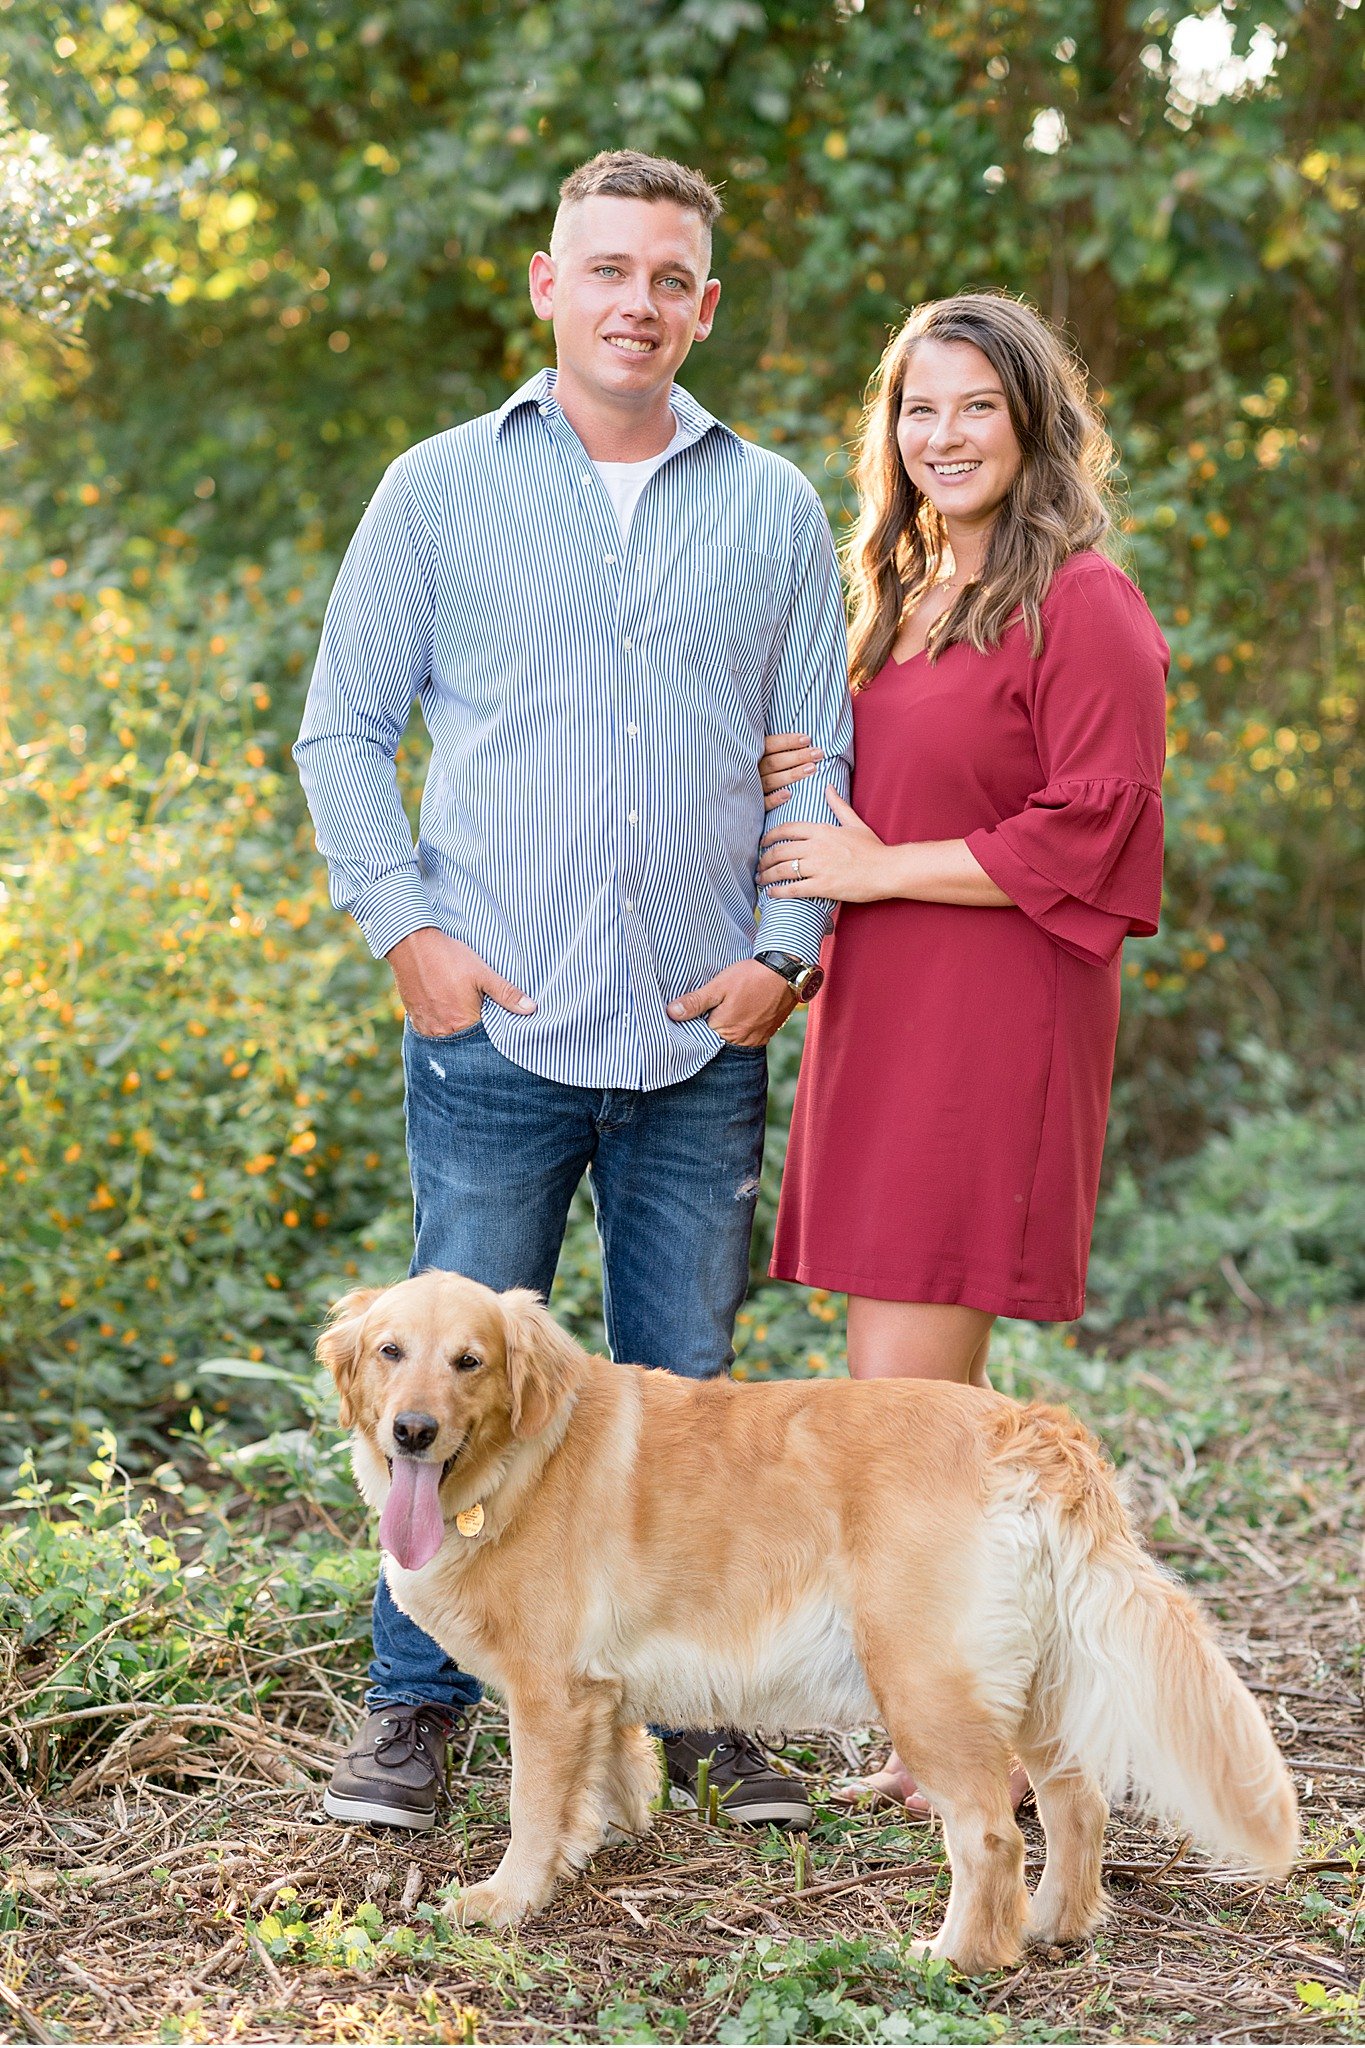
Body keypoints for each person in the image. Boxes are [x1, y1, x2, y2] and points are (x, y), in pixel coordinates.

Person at [294, 149, 852, 1834]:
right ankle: (414, 1714)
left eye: (669, 277)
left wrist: (779, 959)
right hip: (497, 1034)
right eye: (606, 268)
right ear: (548, 284)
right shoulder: (439, 489)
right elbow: (341, 731)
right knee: (429, 1398)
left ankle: (698, 1710)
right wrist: (409, 934)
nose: (637, 302)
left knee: (694, 1402)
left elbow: (812, 762)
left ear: (701, 304)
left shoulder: (771, 507)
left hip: (698, 1041)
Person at [757, 292, 1168, 1810]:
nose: (940, 437)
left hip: (990, 1019)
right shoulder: (895, 594)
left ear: (1030, 425)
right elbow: (860, 785)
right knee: (905, 1410)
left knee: (902, 1417)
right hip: (884, 1007)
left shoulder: (1084, 603)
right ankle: (965, 1724)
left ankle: (973, 1745)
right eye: (916, 410)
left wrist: (877, 869)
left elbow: (1095, 830)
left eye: (973, 408)